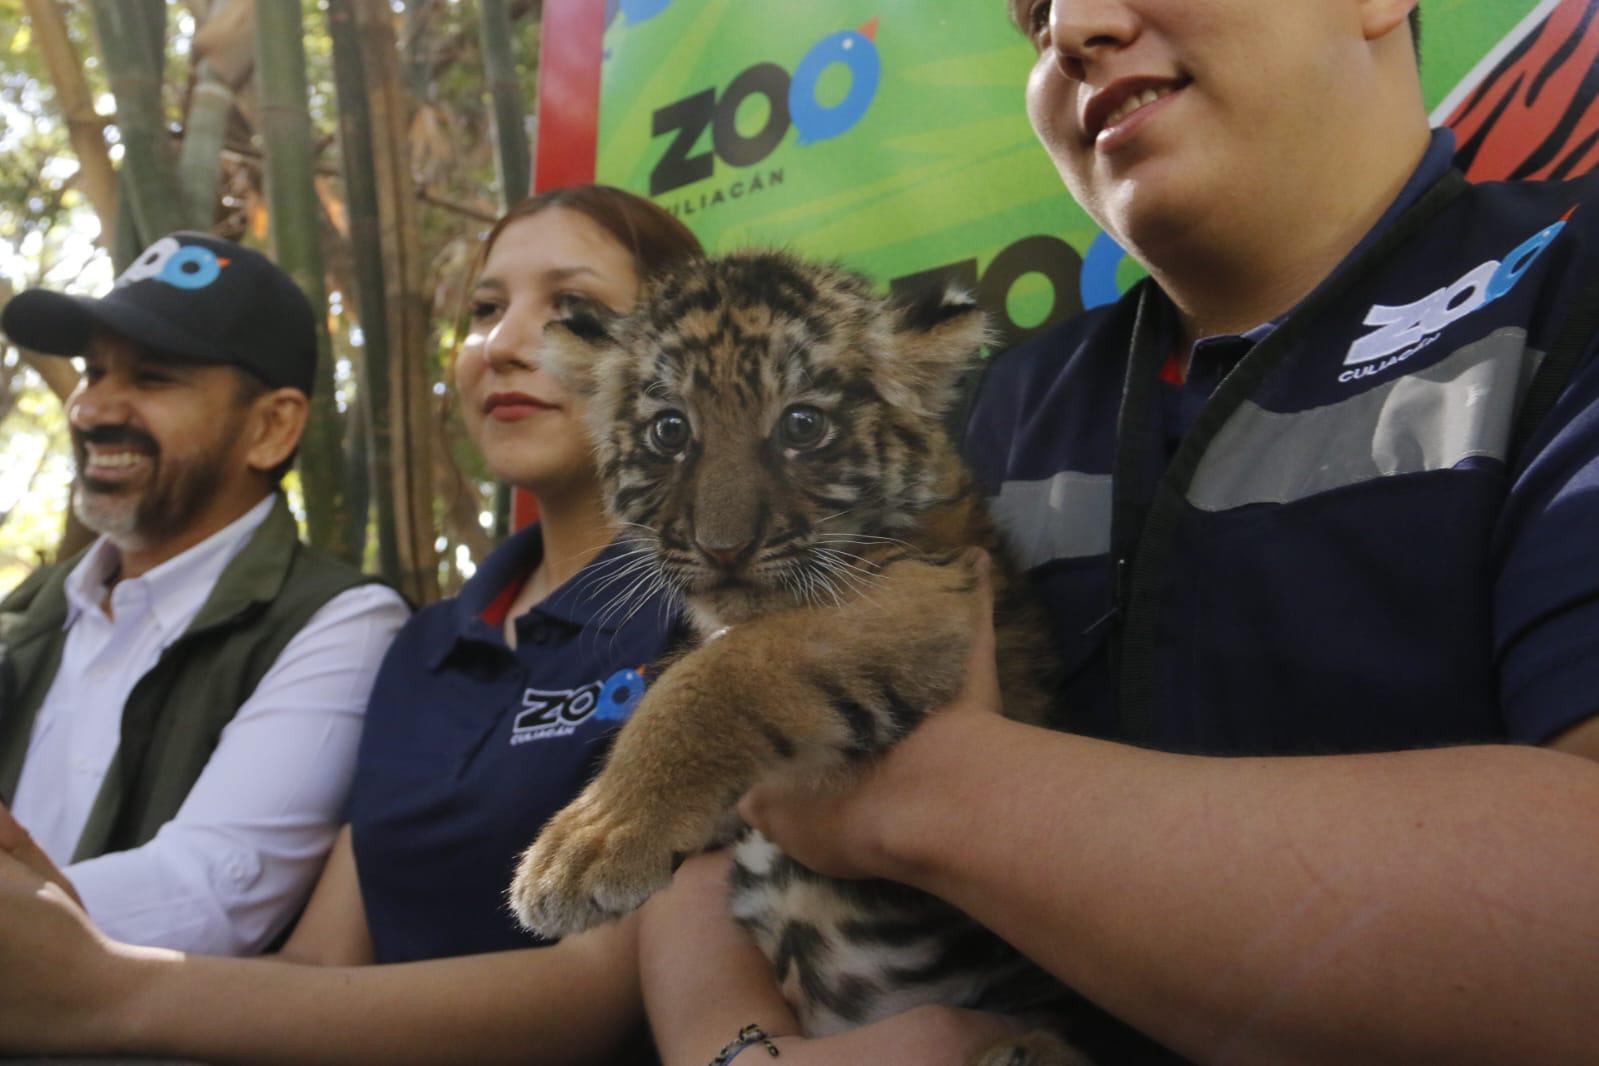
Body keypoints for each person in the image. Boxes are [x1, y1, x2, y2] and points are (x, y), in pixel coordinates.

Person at [663, 2, 1599, 1063]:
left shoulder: (1572, 281)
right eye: (1034, 13)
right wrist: (733, 1049)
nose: (1074, 26)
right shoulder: (962, 412)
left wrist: (937, 793)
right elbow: (687, 820)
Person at [0, 187, 1016, 1065]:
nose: (511, 341)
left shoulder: (730, 599)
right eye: (487, 307)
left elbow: (599, 985)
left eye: (571, 307)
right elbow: (319, 962)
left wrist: (120, 992)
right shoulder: (421, 639)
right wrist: (76, 950)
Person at [0, 233, 409, 955]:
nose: (94, 408)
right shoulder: (31, 611)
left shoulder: (339, 623)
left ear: (271, 426)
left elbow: (207, 897)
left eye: (153, 378)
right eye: (94, 372)